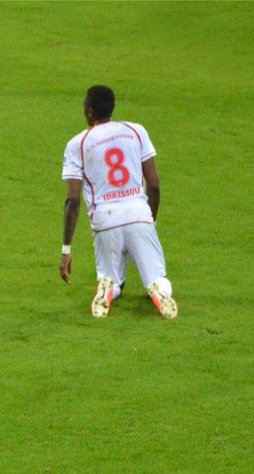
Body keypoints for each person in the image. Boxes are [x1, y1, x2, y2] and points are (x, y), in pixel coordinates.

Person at [58, 85, 178, 319]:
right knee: (158, 277)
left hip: (105, 219)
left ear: (90, 112)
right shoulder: (136, 131)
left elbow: (72, 200)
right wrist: (149, 220)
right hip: (138, 212)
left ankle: (107, 289)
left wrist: (66, 249)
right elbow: (153, 183)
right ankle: (156, 290)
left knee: (111, 279)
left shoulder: (77, 144)